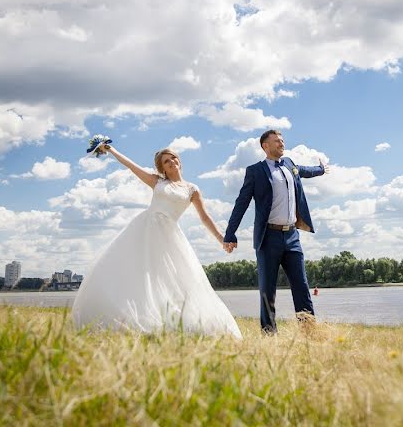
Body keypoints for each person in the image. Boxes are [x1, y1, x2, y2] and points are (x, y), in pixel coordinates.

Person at [72, 137, 241, 338]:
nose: (171, 162)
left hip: (169, 235)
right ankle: (132, 318)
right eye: (166, 161)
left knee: (178, 278)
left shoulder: (192, 189)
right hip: (145, 230)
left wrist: (221, 239)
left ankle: (179, 323)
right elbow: (130, 165)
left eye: (174, 158)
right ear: (163, 169)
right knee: (138, 275)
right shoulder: (157, 182)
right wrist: (111, 150)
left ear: (179, 162)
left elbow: (204, 217)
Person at [223, 130, 328, 333]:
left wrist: (321, 169)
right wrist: (230, 233)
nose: (281, 143)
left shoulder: (289, 164)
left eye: (282, 140)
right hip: (268, 237)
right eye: (276, 141)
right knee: (267, 291)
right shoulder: (255, 171)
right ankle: (269, 334)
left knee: (302, 287)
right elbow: (241, 203)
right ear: (265, 146)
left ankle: (309, 332)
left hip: (292, 237)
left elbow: (305, 171)